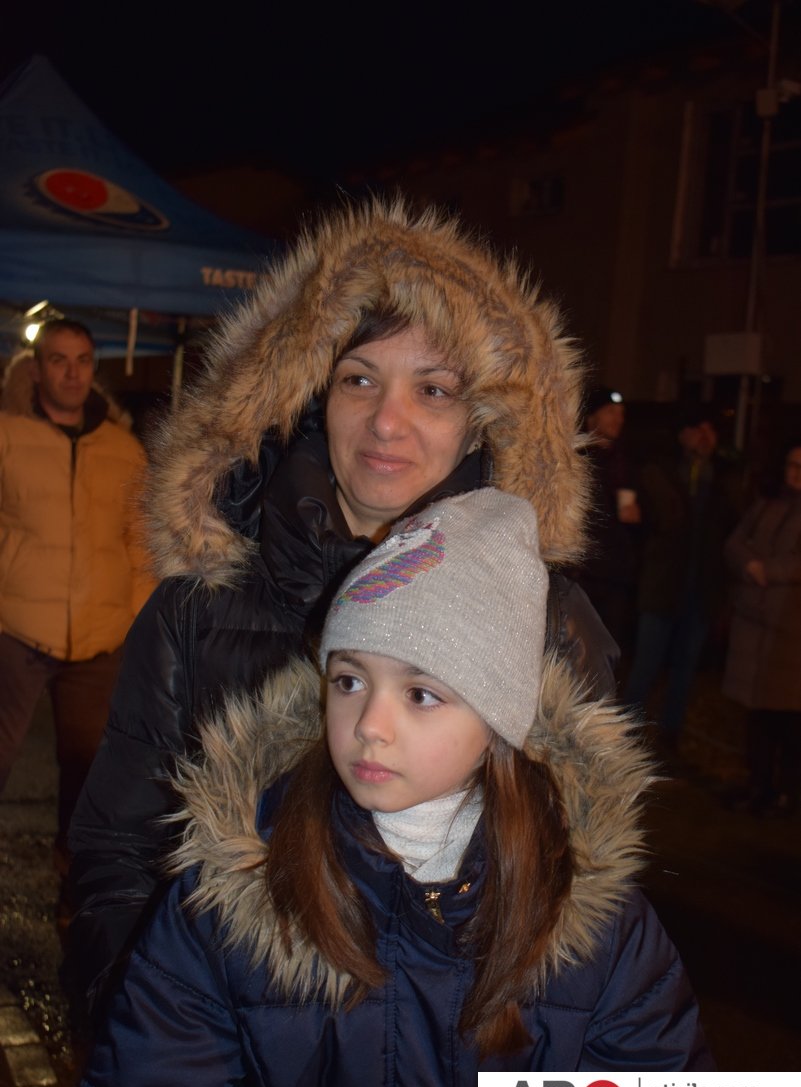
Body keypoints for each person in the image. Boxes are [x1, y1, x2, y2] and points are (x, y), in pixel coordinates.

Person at [68, 489, 711, 1087]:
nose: (369, 724)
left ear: (499, 720)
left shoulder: (595, 917)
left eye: (421, 694)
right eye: (349, 680)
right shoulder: (236, 889)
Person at [67, 199, 618, 1018]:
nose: (386, 421)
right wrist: (143, 1026)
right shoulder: (199, 605)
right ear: (309, 395)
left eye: (433, 389)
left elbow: (574, 887)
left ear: (482, 425)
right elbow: (119, 848)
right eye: (358, 378)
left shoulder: (544, 621)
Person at [0, 319, 154, 865]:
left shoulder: (122, 448)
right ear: (37, 369)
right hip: (16, 632)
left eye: (83, 360)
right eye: (59, 360)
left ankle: (73, 886)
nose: (72, 373)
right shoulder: (8, 437)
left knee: (87, 772)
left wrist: (131, 616)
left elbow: (140, 540)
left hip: (98, 642)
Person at [622, 403, 735, 756]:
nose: (705, 437)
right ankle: (623, 738)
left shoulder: (722, 480)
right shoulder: (661, 472)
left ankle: (670, 738)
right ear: (682, 434)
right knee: (646, 665)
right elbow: (653, 519)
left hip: (700, 592)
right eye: (698, 429)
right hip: (662, 587)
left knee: (685, 670)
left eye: (711, 430)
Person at [722, 444, 801, 815]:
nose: (796, 472)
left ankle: (784, 791)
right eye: (792, 464)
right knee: (756, 713)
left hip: (789, 633)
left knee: (786, 716)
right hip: (753, 627)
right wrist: (749, 564)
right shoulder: (767, 504)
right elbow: (735, 542)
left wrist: (769, 570)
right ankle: (758, 784)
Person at [574, 386, 640, 661]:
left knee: (606, 654)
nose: (618, 419)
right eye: (611, 412)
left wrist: (637, 515)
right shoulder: (577, 457)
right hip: (582, 575)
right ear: (592, 417)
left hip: (615, 574)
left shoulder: (626, 461)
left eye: (621, 413)